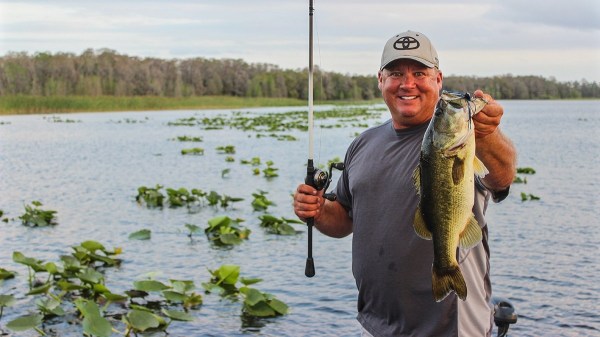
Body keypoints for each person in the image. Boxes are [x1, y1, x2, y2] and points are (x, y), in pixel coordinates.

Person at [293, 30, 517, 337]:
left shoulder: (469, 139)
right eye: (396, 73)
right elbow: (344, 220)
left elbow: (502, 177)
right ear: (380, 80)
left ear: (438, 80)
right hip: (376, 325)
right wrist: (317, 210)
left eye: (420, 73)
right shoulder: (363, 144)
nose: (407, 83)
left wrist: (488, 133)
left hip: (451, 328)